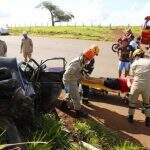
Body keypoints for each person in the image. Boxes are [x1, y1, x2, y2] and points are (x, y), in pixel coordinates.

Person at [62, 45, 100, 118]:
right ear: (85, 57)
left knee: (70, 94)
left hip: (72, 80)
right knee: (76, 97)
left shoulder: (81, 61)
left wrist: (83, 77)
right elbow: (67, 75)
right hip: (69, 81)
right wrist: (68, 85)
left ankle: (63, 105)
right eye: (87, 60)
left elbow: (79, 72)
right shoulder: (76, 63)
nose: (87, 61)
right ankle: (78, 112)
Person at [127, 49, 150, 126]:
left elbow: (131, 76)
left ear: (136, 55)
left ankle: (130, 118)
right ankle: (148, 120)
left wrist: (129, 84)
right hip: (147, 86)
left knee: (132, 102)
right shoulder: (149, 61)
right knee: (147, 104)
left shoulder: (135, 63)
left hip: (137, 84)